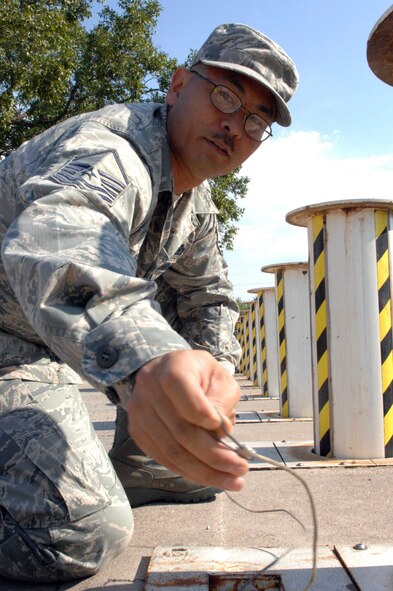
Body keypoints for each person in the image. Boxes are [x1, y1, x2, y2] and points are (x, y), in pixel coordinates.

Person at [0, 23, 298, 582]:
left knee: (196, 469)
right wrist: (145, 362)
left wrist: (212, 393)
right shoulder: (113, 151)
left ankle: (142, 466)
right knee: (76, 532)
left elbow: (207, 297)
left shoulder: (194, 200)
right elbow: (59, 239)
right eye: (226, 95)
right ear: (178, 85)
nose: (236, 123)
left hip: (51, 350)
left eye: (257, 120)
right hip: (9, 346)